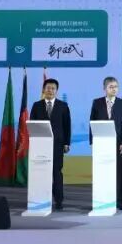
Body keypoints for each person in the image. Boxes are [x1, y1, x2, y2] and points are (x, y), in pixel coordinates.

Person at [30, 78, 72, 210]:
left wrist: (66, 143)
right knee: (42, 173)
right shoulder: (36, 105)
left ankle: (59, 201)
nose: (50, 90)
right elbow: (32, 125)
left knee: (57, 172)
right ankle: (41, 198)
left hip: (57, 145)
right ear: (44, 89)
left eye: (53, 88)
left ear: (56, 91)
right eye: (48, 88)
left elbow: (67, 125)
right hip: (40, 145)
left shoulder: (63, 106)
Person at [90, 76, 122, 209]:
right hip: (101, 143)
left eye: (116, 87)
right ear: (104, 88)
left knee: (118, 172)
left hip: (118, 144)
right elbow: (92, 122)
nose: (114, 89)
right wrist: (92, 142)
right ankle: (102, 200)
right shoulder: (97, 103)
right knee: (102, 172)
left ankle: (120, 202)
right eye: (111, 87)